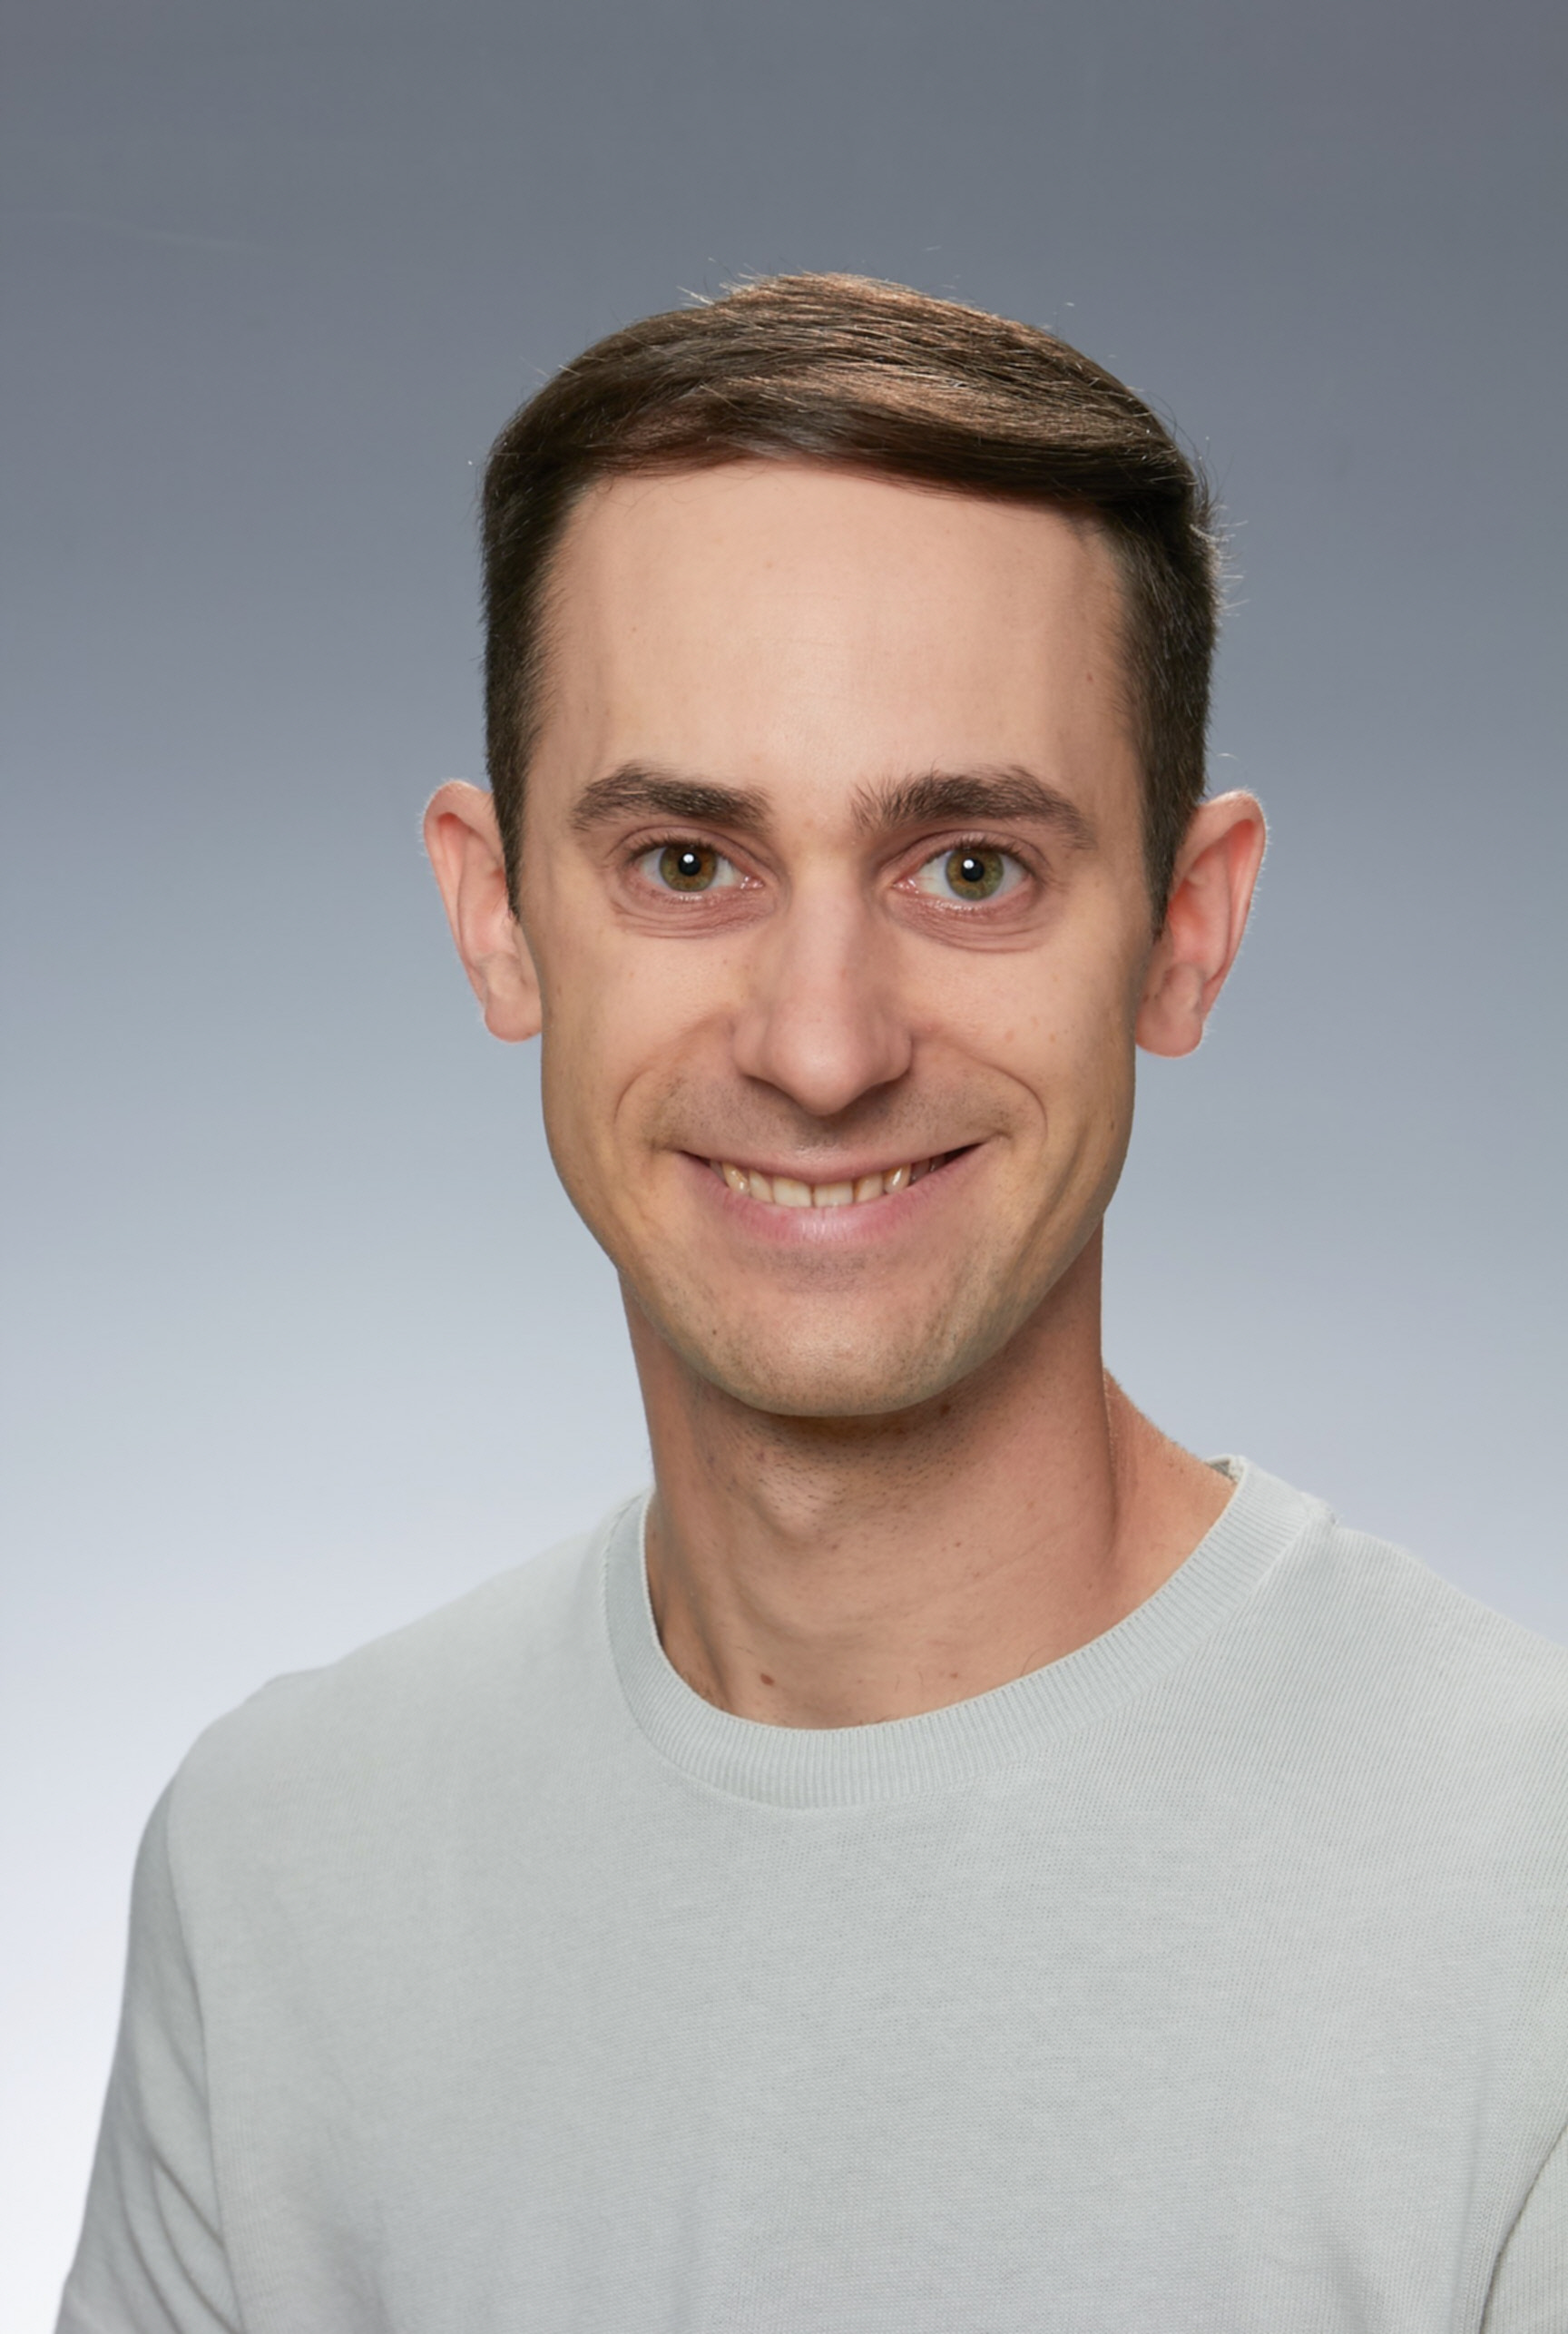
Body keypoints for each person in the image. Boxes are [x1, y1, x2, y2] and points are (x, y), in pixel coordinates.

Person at [59, 274, 1566, 2333]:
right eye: (688, 862)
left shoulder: (1526, 1900)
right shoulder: (280, 1878)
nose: (827, 1045)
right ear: (497, 916)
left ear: (1185, 930)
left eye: (971, 867)